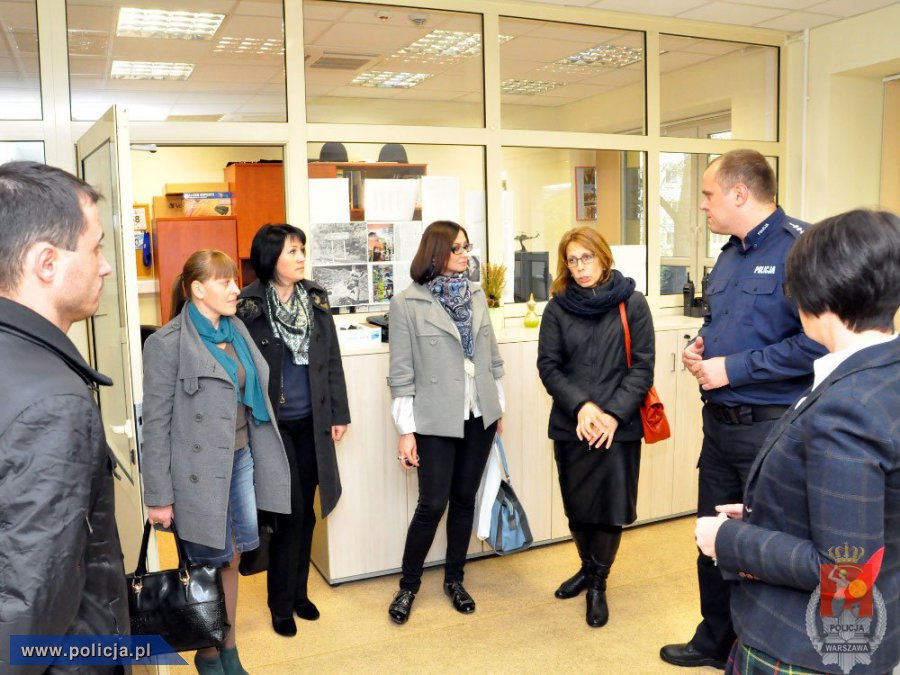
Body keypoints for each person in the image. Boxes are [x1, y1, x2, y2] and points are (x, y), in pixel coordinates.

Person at [695, 209, 900, 675]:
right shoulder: (880, 372)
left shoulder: (847, 409)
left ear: (814, 292)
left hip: (807, 648)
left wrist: (729, 539)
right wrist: (768, 513)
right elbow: (869, 513)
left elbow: (846, 572)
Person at [660, 149, 828, 669]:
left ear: (739, 193)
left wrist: (734, 369)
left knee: (765, 545)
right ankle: (715, 639)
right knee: (712, 537)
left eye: (708, 195)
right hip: (719, 427)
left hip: (770, 428)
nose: (702, 206)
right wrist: (700, 345)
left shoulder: (802, 249)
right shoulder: (730, 254)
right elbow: (722, 320)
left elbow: (818, 341)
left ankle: (760, 647)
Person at [0, 161, 127, 673]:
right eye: (95, 248)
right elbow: (29, 609)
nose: (105, 267)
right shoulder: (52, 405)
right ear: (46, 263)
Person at [142, 249, 291, 675]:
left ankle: (229, 646)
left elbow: (254, 395)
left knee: (233, 557)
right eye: (224, 282)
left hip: (240, 457)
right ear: (197, 289)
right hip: (197, 472)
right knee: (206, 564)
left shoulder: (236, 329)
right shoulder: (166, 344)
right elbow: (156, 424)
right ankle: (208, 653)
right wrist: (158, 496)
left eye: (234, 280)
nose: (235, 289)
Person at [386, 220, 505, 624]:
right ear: (435, 252)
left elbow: (491, 356)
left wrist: (497, 407)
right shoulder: (406, 303)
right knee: (432, 504)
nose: (464, 254)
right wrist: (406, 430)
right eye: (456, 248)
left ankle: (455, 579)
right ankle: (408, 586)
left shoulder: (476, 294)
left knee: (464, 499)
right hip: (434, 417)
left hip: (479, 414)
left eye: (466, 247)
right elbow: (401, 373)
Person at [537, 226, 655, 628]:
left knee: (608, 510)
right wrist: (582, 407)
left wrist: (611, 414)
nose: (580, 267)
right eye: (572, 260)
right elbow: (549, 367)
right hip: (572, 424)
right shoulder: (557, 308)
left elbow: (642, 367)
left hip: (617, 427)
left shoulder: (632, 303)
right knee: (578, 508)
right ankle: (587, 568)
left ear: (603, 257)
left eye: (586, 257)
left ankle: (599, 582)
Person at [237, 223, 350, 637]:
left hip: (312, 422)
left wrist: (339, 413)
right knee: (288, 512)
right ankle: (281, 604)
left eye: (302, 250)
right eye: (292, 251)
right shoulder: (249, 304)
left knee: (307, 514)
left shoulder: (315, 298)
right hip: (273, 426)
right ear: (271, 258)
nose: (301, 258)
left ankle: (300, 593)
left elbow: (332, 359)